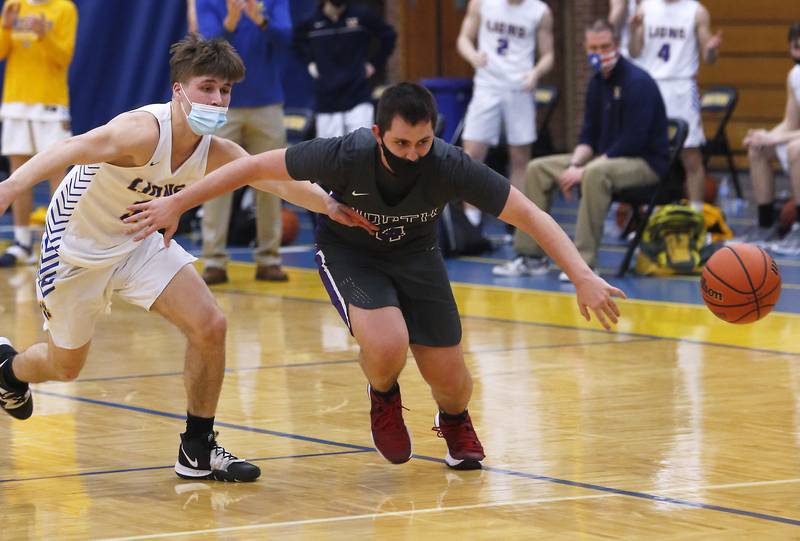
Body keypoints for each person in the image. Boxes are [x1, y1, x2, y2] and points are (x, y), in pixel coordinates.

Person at [122, 82, 625, 471]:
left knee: (452, 381)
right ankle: (383, 394)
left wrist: (582, 274)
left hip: (419, 257)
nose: (413, 153)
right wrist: (178, 202)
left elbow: (530, 214)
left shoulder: (448, 165)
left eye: (423, 142)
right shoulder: (346, 153)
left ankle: (452, 420)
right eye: (402, 142)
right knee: (387, 344)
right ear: (380, 133)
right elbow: (251, 167)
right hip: (351, 255)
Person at [0, 35, 372, 482]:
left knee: (210, 324)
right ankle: (10, 371)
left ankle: (197, 447)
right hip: (76, 249)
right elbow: (68, 148)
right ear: (179, 90)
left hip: (138, 243)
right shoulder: (140, 132)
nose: (218, 99)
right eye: (207, 87)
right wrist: (9, 188)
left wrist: (331, 206)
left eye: (225, 91)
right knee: (65, 366)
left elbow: (275, 179)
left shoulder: (217, 150)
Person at [493, 19, 669, 281]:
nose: (599, 53)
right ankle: (530, 257)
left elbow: (633, 140)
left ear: (617, 45)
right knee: (537, 168)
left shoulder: (638, 82)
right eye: (594, 47)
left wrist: (584, 170)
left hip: (645, 162)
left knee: (595, 173)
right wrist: (575, 165)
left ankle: (584, 263)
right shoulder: (596, 83)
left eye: (605, 46)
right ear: (586, 47)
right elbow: (588, 136)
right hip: (603, 159)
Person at [195, 0, 292, 285]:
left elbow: (286, 39)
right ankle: (213, 260)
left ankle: (270, 259)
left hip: (268, 103)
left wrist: (259, 19)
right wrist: (232, 21)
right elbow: (207, 52)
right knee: (216, 180)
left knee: (274, 180)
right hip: (223, 103)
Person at [0, 0, 77, 267]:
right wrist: (5, 26)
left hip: (50, 104)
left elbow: (63, 58)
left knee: (58, 174)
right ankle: (22, 243)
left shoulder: (64, 9)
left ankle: (56, 244)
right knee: (17, 175)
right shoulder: (14, 5)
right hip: (15, 103)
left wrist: (44, 35)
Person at [629, 0, 722, 212]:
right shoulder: (645, 7)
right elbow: (634, 52)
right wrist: (633, 30)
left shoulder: (697, 11)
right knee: (645, 155)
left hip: (681, 87)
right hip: (651, 86)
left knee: (691, 155)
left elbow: (710, 58)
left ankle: (697, 216)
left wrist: (712, 49)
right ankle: (645, 216)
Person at [456, 0, 554, 202]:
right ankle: (471, 219)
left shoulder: (540, 11)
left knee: (520, 157)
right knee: (472, 153)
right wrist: (473, 55)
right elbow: (463, 39)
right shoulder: (482, 3)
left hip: (520, 87)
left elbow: (548, 55)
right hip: (487, 84)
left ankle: (516, 219)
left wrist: (536, 72)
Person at [735, 23, 800, 254]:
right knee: (758, 148)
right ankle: (764, 224)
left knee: (795, 149)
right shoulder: (795, 75)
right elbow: (790, 122)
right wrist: (766, 136)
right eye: (796, 46)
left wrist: (776, 139)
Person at [293, 0, 396, 138]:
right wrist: (310, 62)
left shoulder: (361, 16)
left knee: (361, 150)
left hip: (358, 97)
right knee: (327, 155)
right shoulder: (310, 21)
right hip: (327, 101)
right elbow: (296, 43)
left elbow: (389, 36)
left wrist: (374, 64)